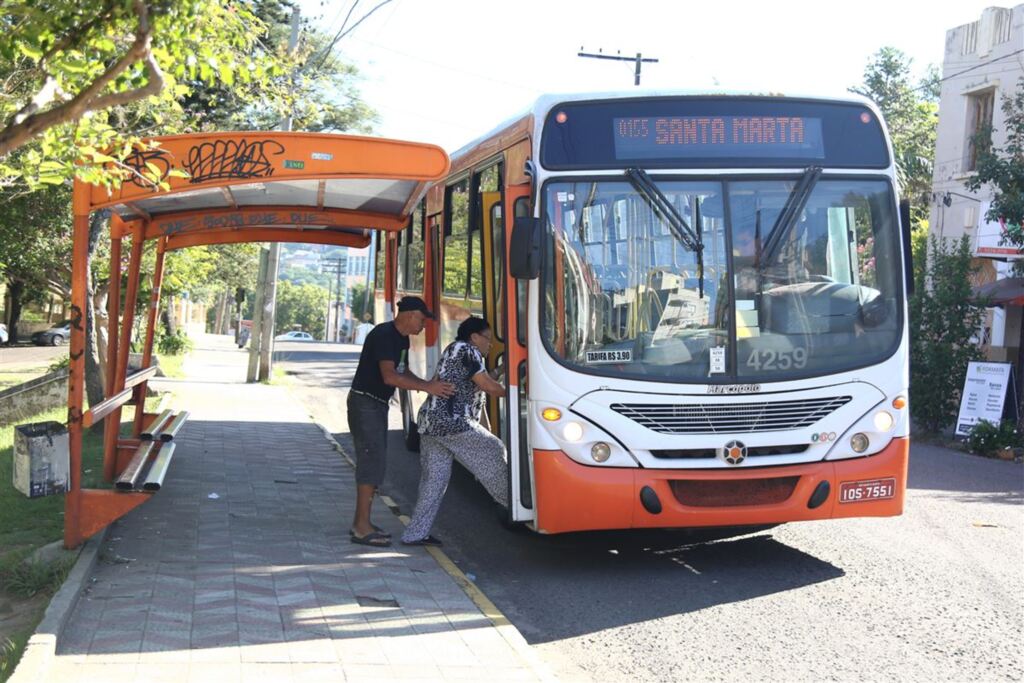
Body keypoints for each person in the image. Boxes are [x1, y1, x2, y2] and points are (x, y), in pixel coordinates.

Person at [348, 296, 454, 547]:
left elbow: (402, 370)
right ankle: (361, 527)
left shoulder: (401, 339)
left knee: (376, 463)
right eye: (422, 318)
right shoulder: (384, 335)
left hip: (376, 404)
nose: (424, 325)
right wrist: (426, 386)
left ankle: (362, 522)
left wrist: (425, 386)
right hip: (366, 403)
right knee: (371, 463)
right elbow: (389, 377)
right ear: (408, 315)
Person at [401, 316, 508, 546]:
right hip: (451, 423)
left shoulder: (454, 349)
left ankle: (415, 534)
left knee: (434, 482)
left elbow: (479, 385)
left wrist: (501, 369)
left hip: (431, 423)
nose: (490, 345)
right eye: (488, 339)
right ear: (474, 337)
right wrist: (518, 393)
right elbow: (487, 385)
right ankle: (515, 504)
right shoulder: (469, 351)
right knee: (494, 450)